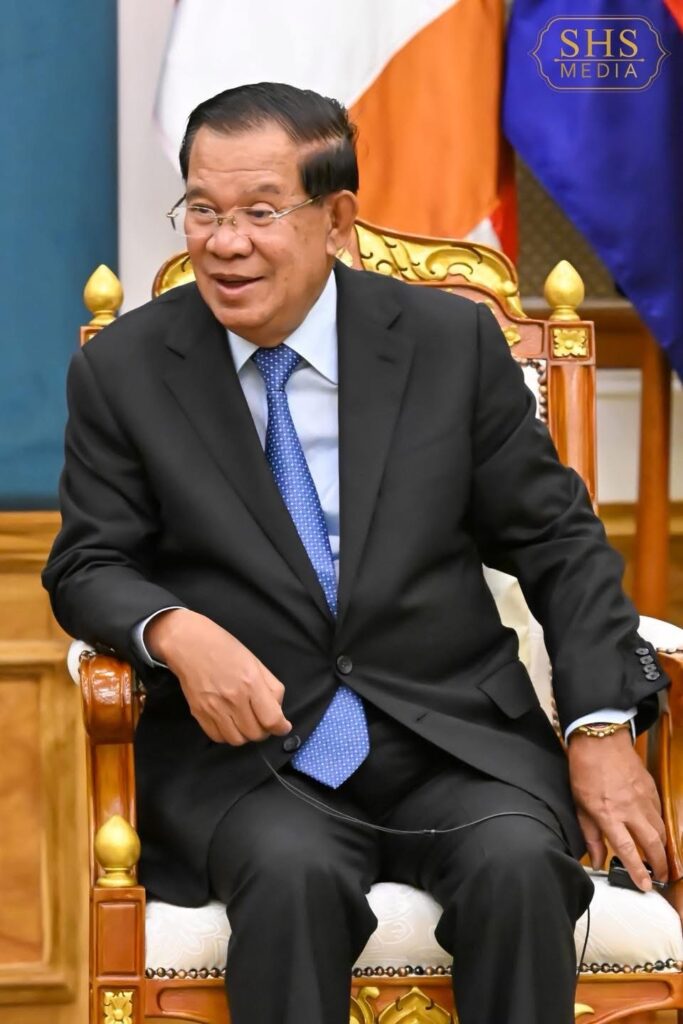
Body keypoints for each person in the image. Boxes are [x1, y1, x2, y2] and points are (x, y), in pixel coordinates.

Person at [43, 83, 668, 1024]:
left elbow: (556, 540)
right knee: (291, 879)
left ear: (335, 220)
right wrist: (173, 630)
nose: (223, 242)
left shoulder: (447, 345)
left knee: (516, 869)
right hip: (253, 763)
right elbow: (87, 562)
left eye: (259, 212)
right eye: (202, 210)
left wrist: (599, 729)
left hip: (454, 740)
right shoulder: (125, 369)